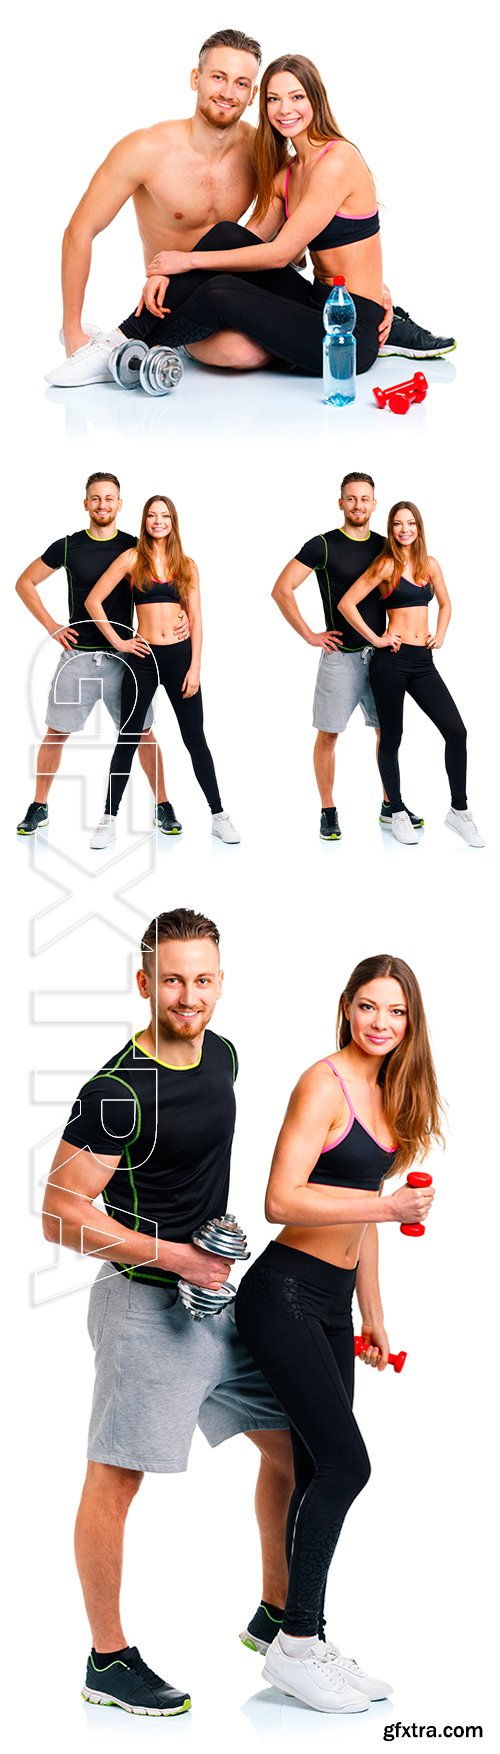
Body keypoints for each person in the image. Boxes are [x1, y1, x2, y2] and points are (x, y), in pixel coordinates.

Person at [42, 908, 295, 1717]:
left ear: (221, 981)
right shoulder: (115, 1093)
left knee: (295, 1448)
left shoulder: (222, 1054)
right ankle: (107, 1662)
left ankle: (280, 1617)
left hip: (220, 1305)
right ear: (146, 982)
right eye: (174, 979)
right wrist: (179, 1256)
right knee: (116, 1482)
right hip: (145, 1308)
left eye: (204, 979)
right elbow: (58, 1214)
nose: (190, 995)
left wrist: (209, 1255)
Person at [234, 954, 442, 1714]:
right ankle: (293, 1647)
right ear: (347, 1008)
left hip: (330, 1302)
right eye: (368, 1006)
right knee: (346, 1466)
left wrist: (373, 1312)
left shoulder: (391, 1091)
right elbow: (279, 1198)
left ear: (411, 1022)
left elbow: (364, 1208)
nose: (381, 1022)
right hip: (282, 1293)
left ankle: (305, 1637)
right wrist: (387, 1211)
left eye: (396, 1011)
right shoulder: (324, 1084)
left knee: (320, 1463)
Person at [45, 36, 454, 387]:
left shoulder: (338, 160)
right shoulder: (287, 171)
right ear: (197, 79)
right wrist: (171, 270)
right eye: (274, 99)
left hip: (347, 329)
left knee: (221, 296)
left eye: (297, 97)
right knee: (225, 237)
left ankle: (122, 348)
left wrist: (183, 262)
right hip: (319, 302)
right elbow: (246, 242)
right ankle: (119, 343)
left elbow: (279, 254)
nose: (284, 109)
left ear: (315, 99)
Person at [15, 473, 187, 837]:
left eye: (110, 498)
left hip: (124, 658)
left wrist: (181, 616)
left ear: (120, 504)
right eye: (96, 498)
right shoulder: (68, 546)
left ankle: (163, 805)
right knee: (56, 732)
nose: (103, 505)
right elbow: (24, 582)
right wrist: (51, 625)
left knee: (142, 733)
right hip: (77, 656)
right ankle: (38, 805)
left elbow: (166, 585)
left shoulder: (134, 548)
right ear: (86, 504)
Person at [273, 471, 424, 841]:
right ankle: (328, 810)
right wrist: (310, 634)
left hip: (383, 655)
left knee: (386, 732)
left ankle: (391, 804)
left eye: (365, 499)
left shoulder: (387, 546)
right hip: (341, 656)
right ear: (341, 502)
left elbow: (410, 592)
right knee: (329, 734)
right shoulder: (322, 545)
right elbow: (282, 589)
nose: (358, 505)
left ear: (374, 503)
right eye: (351, 498)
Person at [85, 496, 240, 848]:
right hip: (142, 657)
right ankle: (108, 819)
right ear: (145, 521)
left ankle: (219, 815)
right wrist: (119, 642)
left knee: (194, 738)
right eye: (152, 516)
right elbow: (93, 601)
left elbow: (197, 618)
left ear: (173, 521)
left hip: (180, 659)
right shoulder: (131, 558)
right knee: (129, 737)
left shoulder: (187, 565)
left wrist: (196, 666)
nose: (158, 521)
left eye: (165, 516)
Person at [338, 502, 485, 847]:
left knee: (456, 731)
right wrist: (376, 638)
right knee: (391, 737)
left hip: (423, 662)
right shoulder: (386, 565)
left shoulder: (430, 564)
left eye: (410, 524)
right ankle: (397, 811)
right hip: (391, 660)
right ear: (391, 530)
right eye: (397, 524)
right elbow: (347, 603)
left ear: (418, 528)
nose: (404, 529)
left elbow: (446, 603)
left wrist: (441, 633)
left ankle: (459, 811)